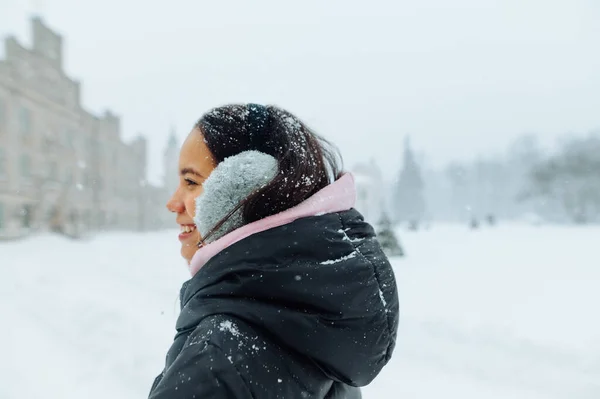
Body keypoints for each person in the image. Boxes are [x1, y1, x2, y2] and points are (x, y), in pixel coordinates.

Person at [150, 104, 399, 399]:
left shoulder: (218, 361)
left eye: (191, 182)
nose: (173, 203)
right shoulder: (318, 337)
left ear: (247, 190)